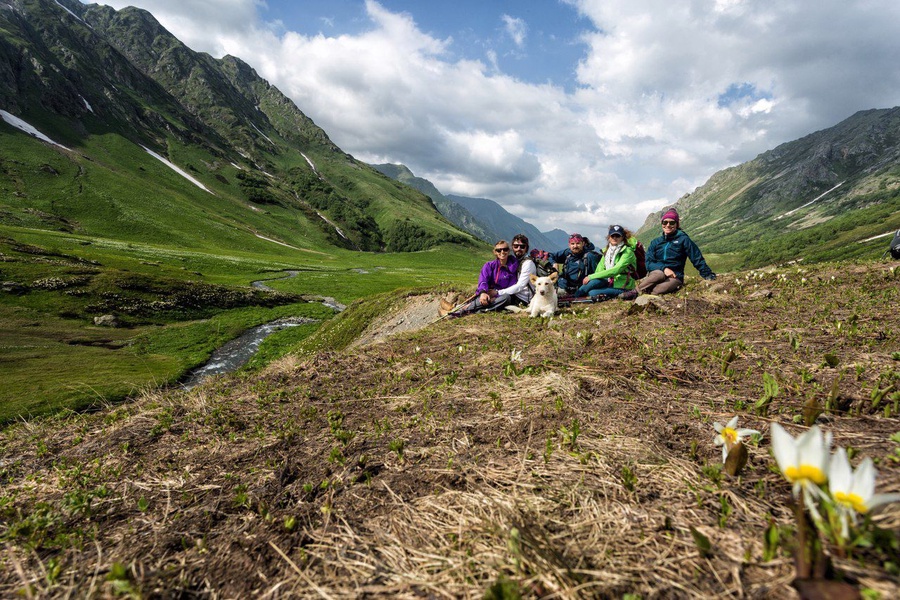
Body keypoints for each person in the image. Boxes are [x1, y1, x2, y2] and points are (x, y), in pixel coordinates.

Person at [624, 208, 715, 299]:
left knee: (657, 290)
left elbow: (696, 257)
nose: (668, 225)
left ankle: (642, 294)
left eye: (672, 223)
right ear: (661, 224)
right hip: (657, 274)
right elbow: (648, 263)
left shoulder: (683, 240)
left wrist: (707, 274)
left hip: (675, 276)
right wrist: (664, 269)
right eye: (665, 222)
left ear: (676, 224)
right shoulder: (655, 242)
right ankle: (635, 292)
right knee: (659, 274)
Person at [449, 240, 521, 316]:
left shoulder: (513, 268)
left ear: (509, 251)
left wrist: (496, 295)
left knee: (507, 298)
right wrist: (483, 293)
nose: (502, 252)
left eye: (505, 249)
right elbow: (483, 280)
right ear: (495, 252)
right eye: (498, 250)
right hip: (487, 294)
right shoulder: (489, 265)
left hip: (501, 296)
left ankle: (464, 310)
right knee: (484, 299)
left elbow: (512, 286)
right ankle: (462, 309)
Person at [575, 225, 637, 299]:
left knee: (592, 292)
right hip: (609, 281)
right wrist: (592, 279)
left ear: (622, 237)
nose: (614, 238)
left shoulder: (628, 252)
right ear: (609, 237)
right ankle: (575, 296)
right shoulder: (607, 251)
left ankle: (574, 298)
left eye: (617, 236)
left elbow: (615, 270)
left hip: (623, 285)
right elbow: (599, 270)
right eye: (612, 236)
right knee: (591, 283)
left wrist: (590, 276)